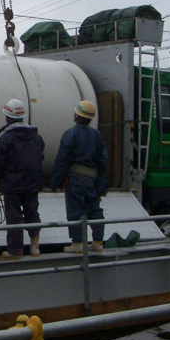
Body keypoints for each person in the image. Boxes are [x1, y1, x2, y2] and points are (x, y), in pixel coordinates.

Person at [0, 99, 45, 258]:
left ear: (7, 117)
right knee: (32, 213)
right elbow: (40, 157)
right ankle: (35, 248)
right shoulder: (36, 137)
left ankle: (15, 251)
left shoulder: (6, 138)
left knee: (14, 218)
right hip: (32, 184)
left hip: (13, 185)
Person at [50, 100, 108, 253]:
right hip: (93, 178)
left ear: (77, 114)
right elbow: (103, 160)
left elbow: (62, 160)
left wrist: (55, 182)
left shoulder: (71, 134)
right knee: (94, 210)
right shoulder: (97, 135)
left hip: (75, 179)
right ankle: (97, 242)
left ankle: (77, 243)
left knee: (76, 211)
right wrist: (101, 179)